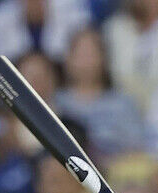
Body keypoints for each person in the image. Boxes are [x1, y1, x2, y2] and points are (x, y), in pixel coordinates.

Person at [56, 26, 145, 157]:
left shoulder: (122, 103)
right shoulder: (56, 102)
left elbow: (137, 147)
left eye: (91, 54)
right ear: (68, 58)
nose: (86, 62)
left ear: (104, 59)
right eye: (81, 54)